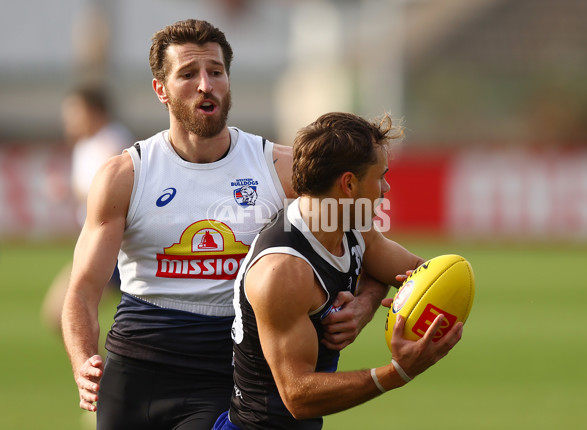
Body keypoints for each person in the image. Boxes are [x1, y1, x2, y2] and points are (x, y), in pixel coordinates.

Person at [61, 19, 389, 430]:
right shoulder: (125, 176)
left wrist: (365, 304)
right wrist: (82, 361)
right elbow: (82, 291)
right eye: (188, 74)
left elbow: (373, 251)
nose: (205, 84)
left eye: (215, 72)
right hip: (133, 376)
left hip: (227, 379)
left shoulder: (282, 170)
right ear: (160, 90)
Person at [214, 112, 463, 430]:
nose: (386, 187)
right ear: (348, 183)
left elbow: (415, 274)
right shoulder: (283, 273)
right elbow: (297, 397)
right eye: (380, 176)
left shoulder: (348, 222)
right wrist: (397, 372)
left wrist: (365, 305)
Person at [41, 84, 132, 333]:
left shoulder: (113, 142)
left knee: (65, 313)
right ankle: (100, 371)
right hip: (96, 241)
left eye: (74, 113)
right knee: (65, 315)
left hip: (113, 246)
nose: (68, 121)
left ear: (95, 112)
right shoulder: (86, 145)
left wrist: (69, 190)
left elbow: (108, 193)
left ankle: (100, 370)